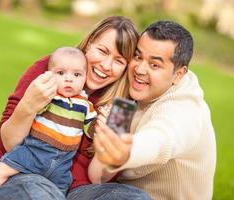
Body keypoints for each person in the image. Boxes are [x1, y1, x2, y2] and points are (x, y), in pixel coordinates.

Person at [0, 16, 150, 200]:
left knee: (136, 197)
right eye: (102, 51)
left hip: (74, 189)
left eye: (119, 60)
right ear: (89, 43)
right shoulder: (52, 68)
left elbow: (97, 178)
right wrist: (28, 106)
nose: (106, 65)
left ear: (126, 67)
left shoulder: (122, 107)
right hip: (15, 169)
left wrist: (105, 142)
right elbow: (8, 144)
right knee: (42, 194)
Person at [86, 20, 216, 199]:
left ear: (178, 74)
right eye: (138, 57)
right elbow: (100, 176)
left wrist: (128, 152)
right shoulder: (126, 96)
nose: (139, 69)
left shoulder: (186, 109)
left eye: (154, 65)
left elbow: (161, 137)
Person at [0, 46, 97, 195]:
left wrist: (102, 125)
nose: (69, 79)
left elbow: (91, 131)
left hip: (63, 162)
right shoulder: (49, 96)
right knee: (3, 168)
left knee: (60, 192)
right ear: (50, 75)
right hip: (35, 150)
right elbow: (32, 111)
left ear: (85, 78)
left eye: (77, 74)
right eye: (61, 73)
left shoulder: (86, 105)